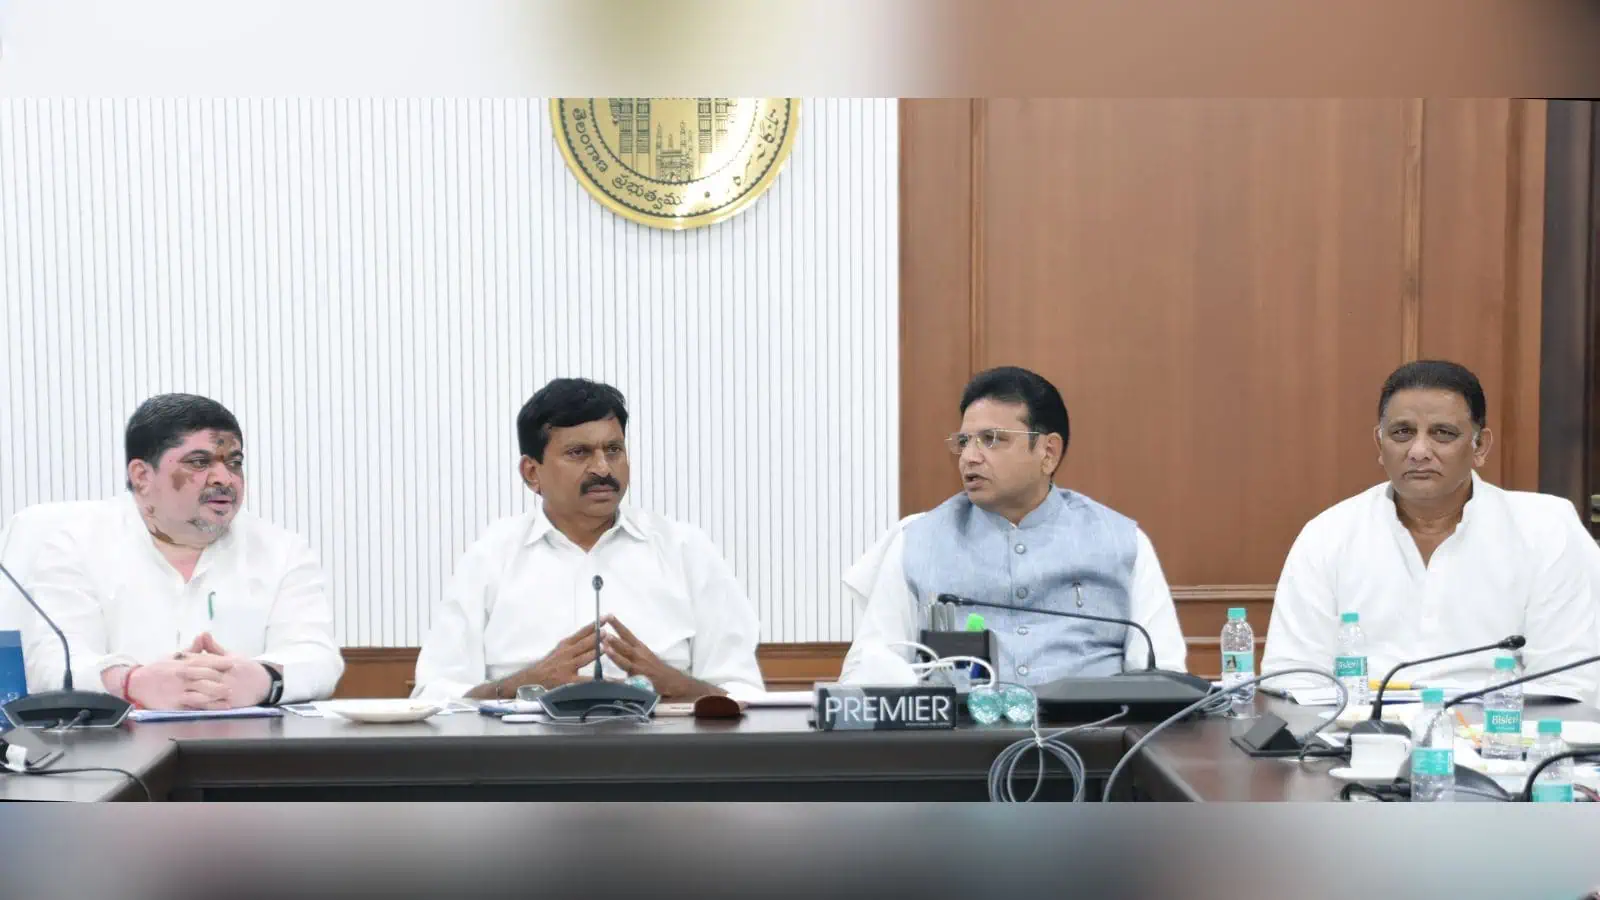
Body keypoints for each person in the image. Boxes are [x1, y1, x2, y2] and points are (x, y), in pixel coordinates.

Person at [1261, 360, 1597, 701]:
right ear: (1380, 445)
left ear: (1480, 447)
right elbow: (1292, 679)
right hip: (1355, 742)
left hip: (1502, 739)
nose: (1419, 452)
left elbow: (1571, 682)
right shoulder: (1327, 535)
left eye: (1443, 433)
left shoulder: (1547, 530)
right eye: (1402, 433)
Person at [412, 378, 763, 701]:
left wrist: (674, 684)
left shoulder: (684, 550)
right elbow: (435, 694)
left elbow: (744, 691)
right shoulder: (491, 558)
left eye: (613, 450)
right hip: (526, 760)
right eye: (579, 453)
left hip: (661, 758)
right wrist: (523, 685)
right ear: (531, 472)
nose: (603, 469)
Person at [839, 366, 1187, 686]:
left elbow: (1163, 676)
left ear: (1048, 452)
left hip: (1097, 743)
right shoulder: (917, 541)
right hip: (956, 748)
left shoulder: (1123, 542)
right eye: (964, 442)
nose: (969, 457)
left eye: (992, 439)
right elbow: (869, 670)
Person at [22, 394, 344, 708]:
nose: (225, 479)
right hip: (117, 752)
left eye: (234, 463)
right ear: (142, 476)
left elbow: (318, 658)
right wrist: (133, 682)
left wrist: (262, 678)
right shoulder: (76, 546)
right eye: (200, 462)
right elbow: (50, 667)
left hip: (246, 749)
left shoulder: (281, 550)